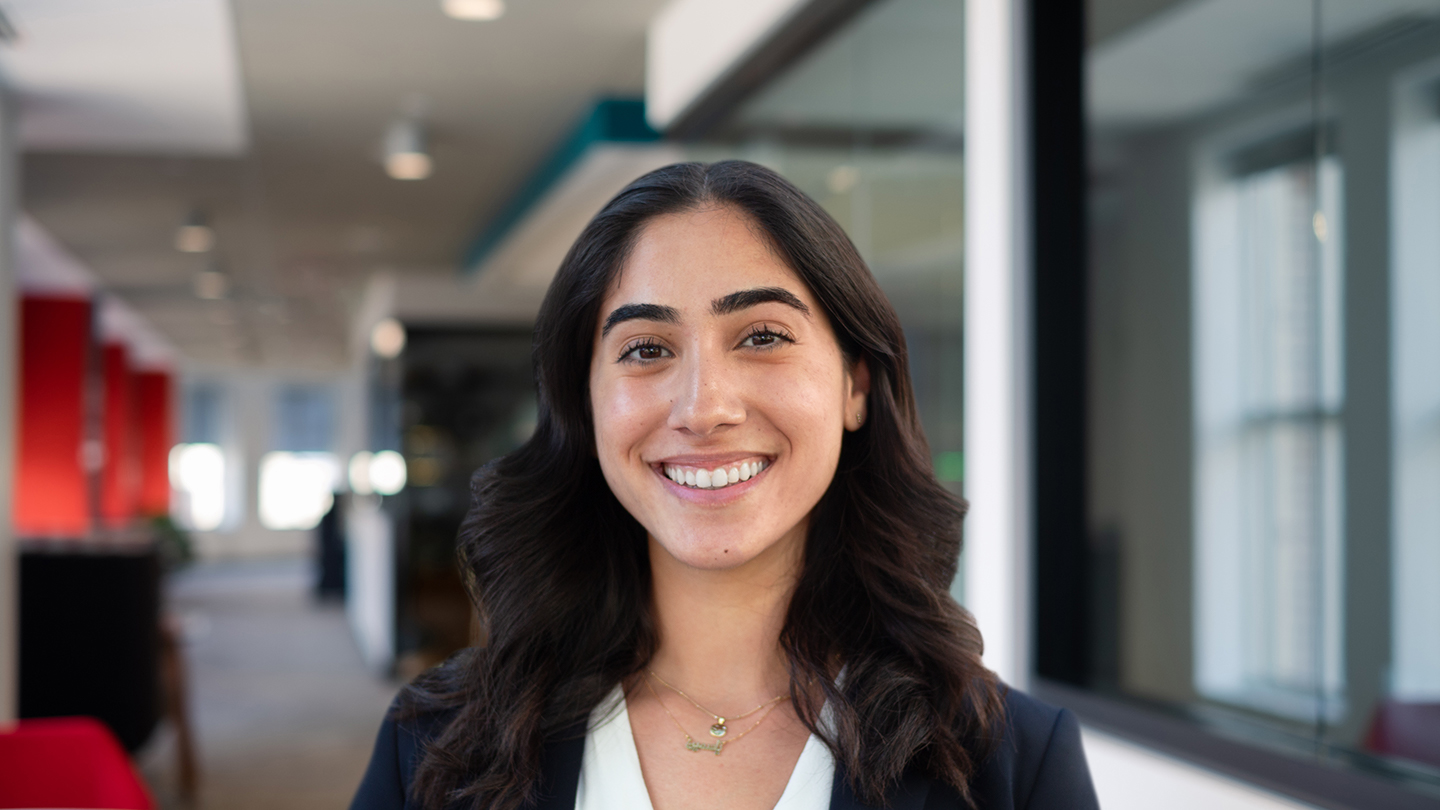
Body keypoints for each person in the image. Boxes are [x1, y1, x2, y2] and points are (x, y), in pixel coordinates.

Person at [350, 161, 1098, 810]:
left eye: (763, 337)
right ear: (584, 403)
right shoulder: (438, 742)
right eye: (646, 348)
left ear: (855, 385)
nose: (703, 408)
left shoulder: (1010, 765)